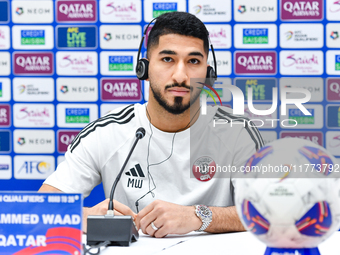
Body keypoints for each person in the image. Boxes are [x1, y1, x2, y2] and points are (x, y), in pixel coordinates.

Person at [39, 12, 264, 238]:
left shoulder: (238, 132)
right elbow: (40, 209)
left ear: (208, 73)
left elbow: (266, 213)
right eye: (167, 59)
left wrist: (198, 217)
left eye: (193, 61)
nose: (180, 75)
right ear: (144, 69)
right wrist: (84, 216)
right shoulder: (106, 132)